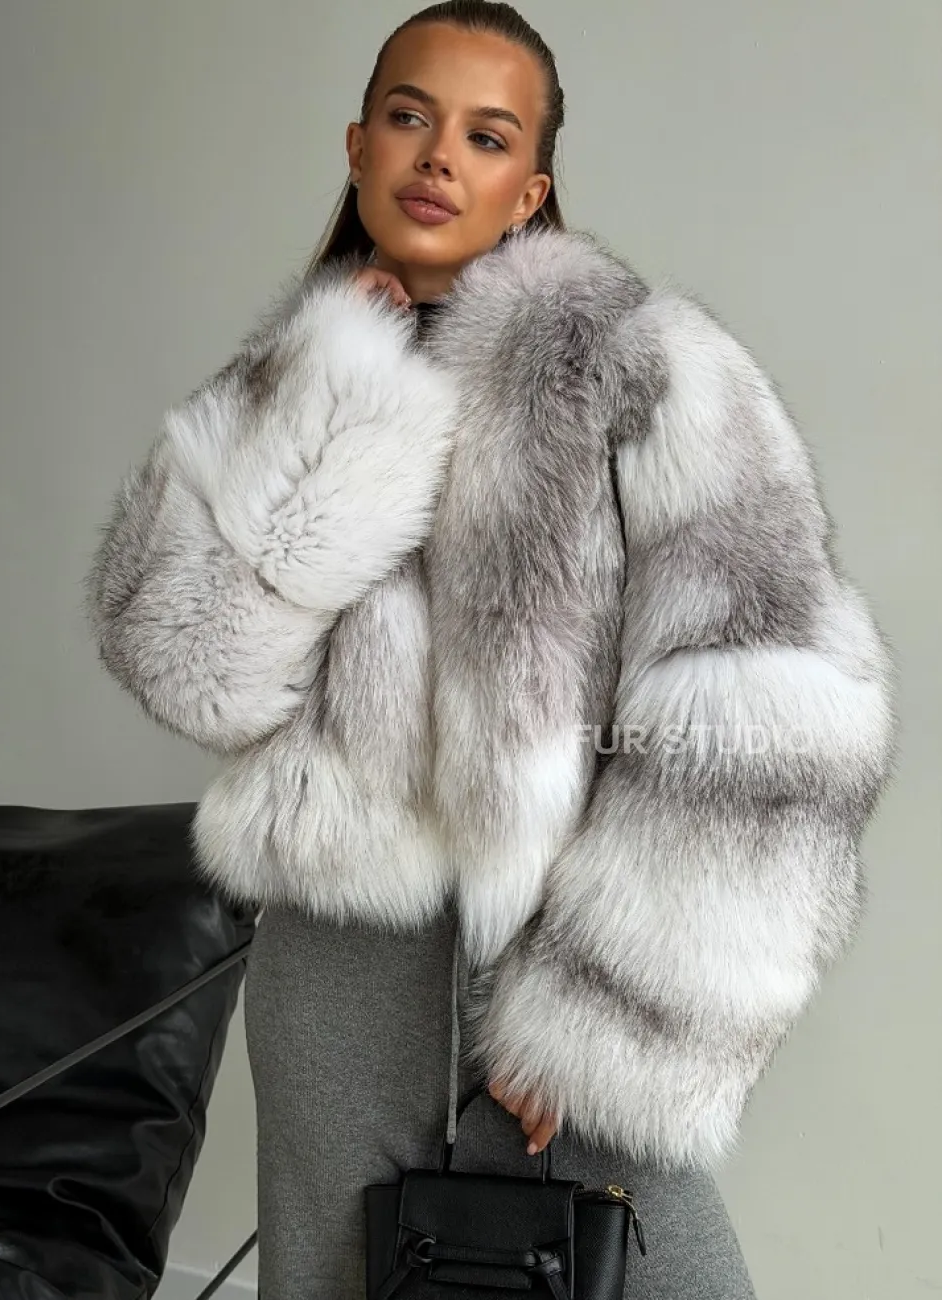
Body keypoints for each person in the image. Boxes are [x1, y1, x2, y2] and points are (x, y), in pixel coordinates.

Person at [82, 3, 898, 1296]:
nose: (438, 158)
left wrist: (596, 1014)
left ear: (532, 190)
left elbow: (767, 712)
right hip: (337, 976)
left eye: (487, 134)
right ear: (358, 146)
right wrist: (331, 393)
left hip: (563, 965)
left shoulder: (643, 369)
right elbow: (191, 666)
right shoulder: (289, 379)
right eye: (410, 117)